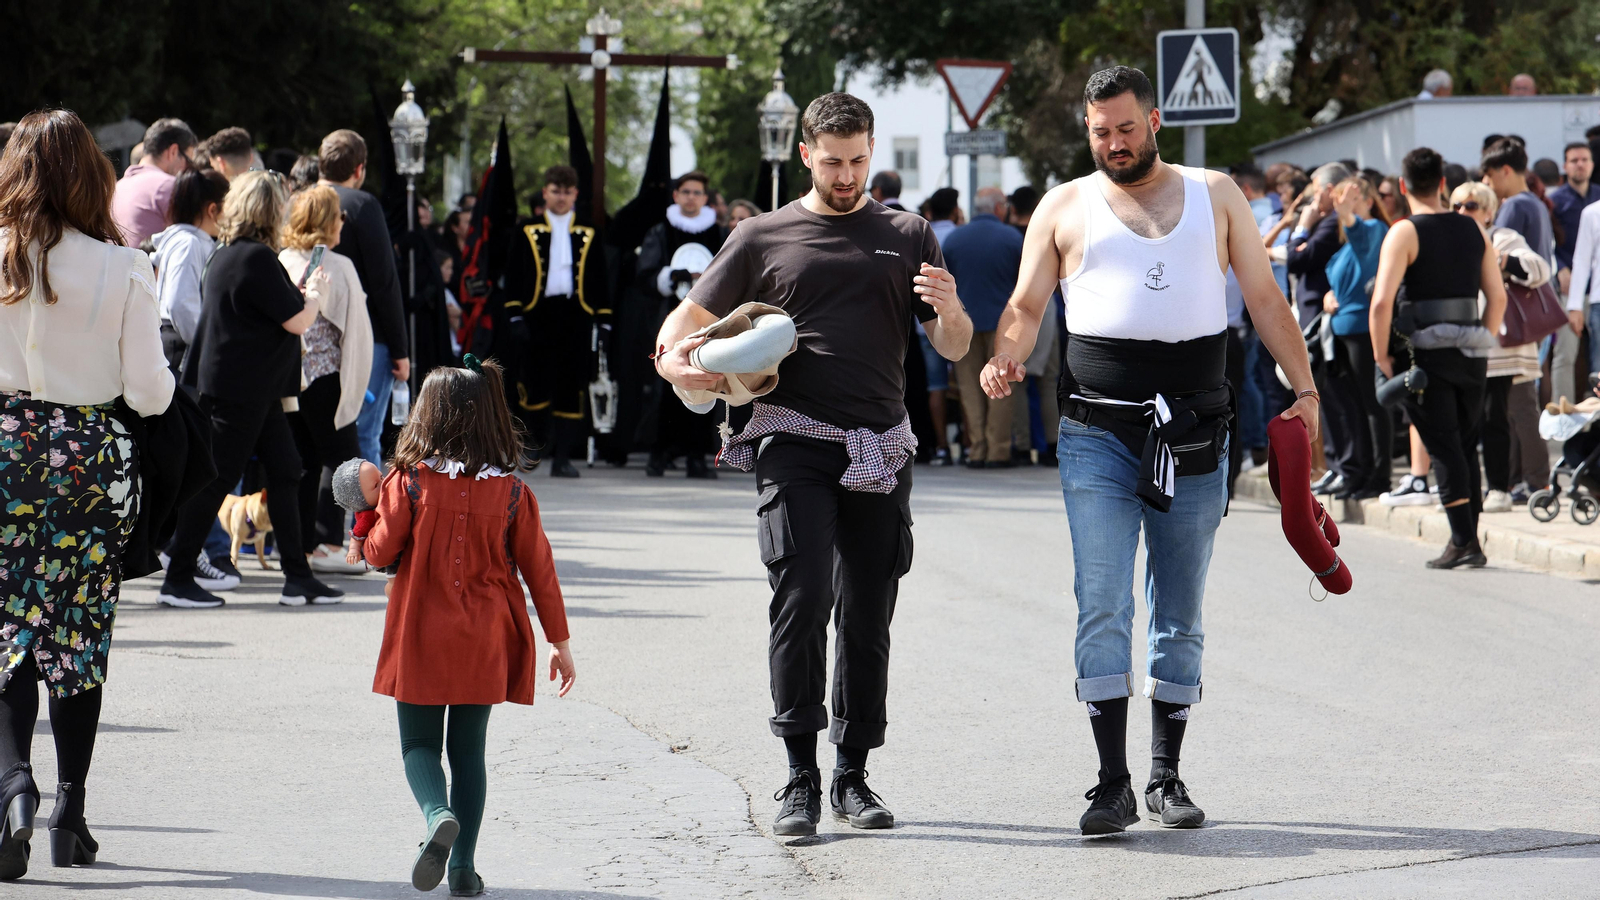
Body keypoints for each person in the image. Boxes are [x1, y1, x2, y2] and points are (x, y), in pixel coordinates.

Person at [978, 65, 1318, 834]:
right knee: (1102, 600)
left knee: (1180, 608)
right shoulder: (1063, 205)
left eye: (1126, 128)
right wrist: (1006, 355)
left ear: (1155, 120)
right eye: (1100, 132)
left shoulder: (1216, 193)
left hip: (1197, 428)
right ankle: (1111, 782)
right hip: (1098, 433)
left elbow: (1264, 298)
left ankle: (1167, 776)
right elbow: (1027, 305)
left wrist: (1306, 390)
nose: (1114, 143)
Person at [655, 91, 973, 837]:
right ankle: (798, 775)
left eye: (859, 160)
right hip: (791, 437)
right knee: (800, 597)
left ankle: (853, 775)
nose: (846, 175)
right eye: (833, 162)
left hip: (880, 445)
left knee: (869, 612)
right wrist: (677, 364)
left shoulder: (908, 232)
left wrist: (953, 309)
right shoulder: (762, 236)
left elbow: (952, 346)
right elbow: (686, 322)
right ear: (806, 154)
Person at [0, 108, 177, 878]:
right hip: (87, 465)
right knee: (77, 635)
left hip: (3, 449)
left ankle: (12, 783)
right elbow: (150, 393)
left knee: (5, 628)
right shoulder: (122, 265)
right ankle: (71, 809)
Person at [360, 359, 574, 897]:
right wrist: (560, 644)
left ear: (426, 418)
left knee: (418, 746)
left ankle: (436, 816)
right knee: (469, 753)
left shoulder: (407, 483)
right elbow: (540, 572)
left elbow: (381, 550)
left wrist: (361, 534)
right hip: (486, 636)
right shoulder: (513, 494)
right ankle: (463, 870)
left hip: (421, 630)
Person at [157, 171, 344, 609]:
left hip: (246, 387)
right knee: (217, 480)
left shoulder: (229, 255)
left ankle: (297, 576)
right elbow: (298, 320)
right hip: (242, 389)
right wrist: (314, 294)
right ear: (268, 210)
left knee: (286, 470)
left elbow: (268, 310)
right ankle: (178, 575)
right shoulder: (257, 258)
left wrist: (298, 298)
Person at [1370, 147, 1507, 567]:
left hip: (1425, 357)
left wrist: (1381, 359)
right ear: (1444, 184)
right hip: (1471, 354)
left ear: (1404, 186)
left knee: (1444, 446)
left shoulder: (1404, 232)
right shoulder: (1474, 230)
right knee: (1466, 444)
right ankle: (1470, 540)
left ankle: (1463, 540)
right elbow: (1497, 297)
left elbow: (1380, 305)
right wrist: (1478, 339)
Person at [279, 185, 373, 573]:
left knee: (303, 462)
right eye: (338, 215)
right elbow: (357, 330)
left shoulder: (282, 259)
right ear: (325, 221)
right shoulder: (339, 266)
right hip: (329, 378)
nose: (342, 222)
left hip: (291, 379)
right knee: (342, 461)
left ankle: (302, 544)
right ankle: (331, 543)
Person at [1447, 182, 1551, 511]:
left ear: (1490, 211)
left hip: (1499, 347)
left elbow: (1539, 269)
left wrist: (1502, 260)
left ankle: (1503, 488)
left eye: (1471, 205)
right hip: (1461, 344)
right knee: (1467, 420)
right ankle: (1468, 491)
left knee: (1499, 417)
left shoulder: (1502, 237)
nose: (1462, 211)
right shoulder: (1449, 241)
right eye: (1456, 206)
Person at [500, 165, 609, 478]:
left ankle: (563, 455)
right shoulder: (527, 229)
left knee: (571, 384)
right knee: (534, 381)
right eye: (555, 190)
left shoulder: (589, 231)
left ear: (575, 194)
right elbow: (515, 275)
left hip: (576, 315)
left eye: (567, 191)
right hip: (537, 314)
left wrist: (603, 320)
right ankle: (534, 446)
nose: (561, 197)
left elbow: (599, 278)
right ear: (545, 192)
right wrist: (516, 314)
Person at [317, 130, 410, 468]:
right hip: (366, 337)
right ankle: (368, 521)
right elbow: (384, 281)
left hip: (310, 337)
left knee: (320, 436)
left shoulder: (298, 200)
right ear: (359, 169)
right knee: (365, 434)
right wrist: (400, 349)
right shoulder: (362, 204)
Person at [636, 171, 725, 478]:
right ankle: (658, 454)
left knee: (704, 382)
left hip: (708, 321)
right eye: (685, 192)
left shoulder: (719, 233)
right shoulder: (660, 232)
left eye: (697, 193)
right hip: (667, 318)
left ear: (705, 198)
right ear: (676, 196)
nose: (691, 197)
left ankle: (696, 457)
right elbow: (645, 276)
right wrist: (674, 276)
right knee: (664, 388)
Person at [943, 186, 1023, 468]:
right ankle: (998, 451)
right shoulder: (1012, 238)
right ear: (999, 207)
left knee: (969, 389)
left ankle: (976, 449)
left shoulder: (954, 239)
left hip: (964, 325)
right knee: (1001, 385)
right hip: (1005, 323)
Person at [1324, 178, 1392, 499]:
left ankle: (1380, 476)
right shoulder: (1347, 246)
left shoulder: (1375, 229)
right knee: (1352, 407)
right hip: (1342, 332)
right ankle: (1361, 472)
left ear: (1366, 200)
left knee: (1372, 406)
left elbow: (1359, 232)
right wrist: (1328, 296)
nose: (1344, 205)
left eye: (1351, 199)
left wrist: (1347, 213)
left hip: (1365, 332)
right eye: (1341, 200)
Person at [151, 167, 230, 373]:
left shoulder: (186, 240)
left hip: (178, 341)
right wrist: (205, 345)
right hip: (182, 348)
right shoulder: (189, 243)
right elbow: (180, 304)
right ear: (213, 210)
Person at [110, 117, 197, 248]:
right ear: (173, 152)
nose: (189, 170)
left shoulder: (116, 188)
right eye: (189, 162)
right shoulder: (170, 186)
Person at [1552, 144, 1598, 303]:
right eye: (1574, 160)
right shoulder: (1554, 201)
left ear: (1592, 164)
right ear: (1565, 166)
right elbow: (1548, 240)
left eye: (1585, 160)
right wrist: (1560, 267)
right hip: (1569, 283)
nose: (1580, 164)